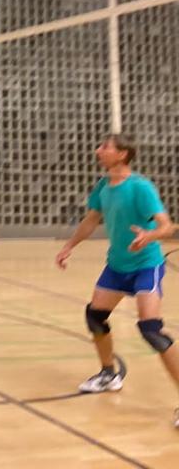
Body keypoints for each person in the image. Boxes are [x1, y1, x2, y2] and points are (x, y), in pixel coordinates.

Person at [55, 133, 179, 428]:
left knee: (151, 330)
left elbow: (167, 226)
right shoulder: (103, 186)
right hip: (117, 266)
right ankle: (109, 374)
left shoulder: (140, 187)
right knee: (95, 317)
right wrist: (69, 246)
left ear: (122, 154)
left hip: (145, 265)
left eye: (105, 147)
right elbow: (91, 220)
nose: (98, 150)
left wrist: (149, 235)